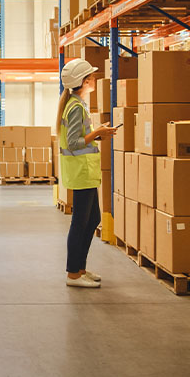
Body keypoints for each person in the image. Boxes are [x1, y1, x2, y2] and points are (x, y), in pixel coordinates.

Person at [57, 58, 117, 288]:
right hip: (81, 172)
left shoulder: (76, 103)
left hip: (86, 172)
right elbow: (73, 142)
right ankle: (73, 273)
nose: (94, 79)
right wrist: (98, 132)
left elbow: (81, 138)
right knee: (80, 223)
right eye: (90, 76)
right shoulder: (75, 107)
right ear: (83, 81)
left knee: (93, 219)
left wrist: (100, 133)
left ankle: (80, 268)